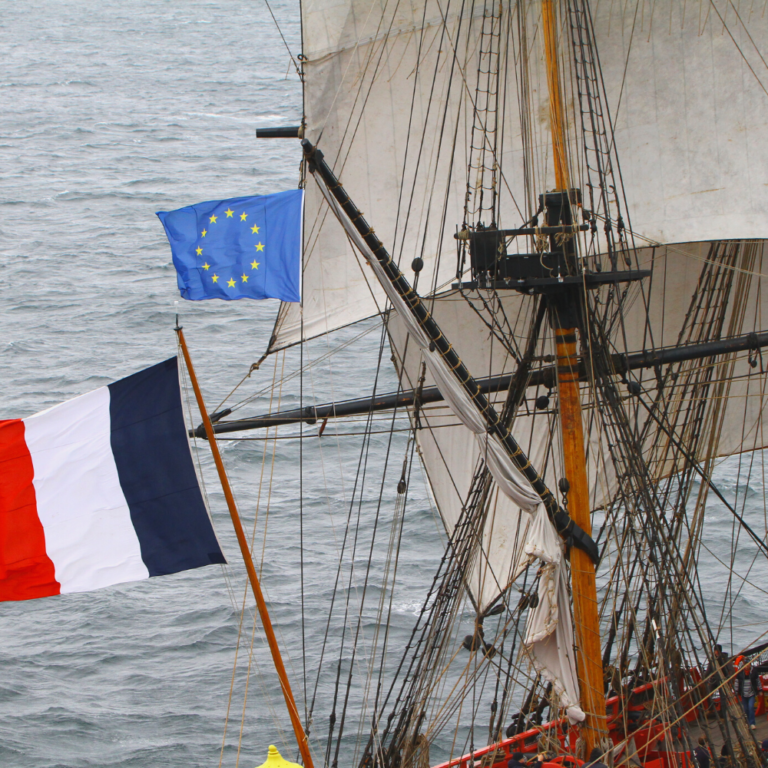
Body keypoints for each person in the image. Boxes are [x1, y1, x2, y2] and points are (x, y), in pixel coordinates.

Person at [735, 660, 762, 729]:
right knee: (746, 709)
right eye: (745, 665)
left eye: (748, 664)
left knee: (751, 707)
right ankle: (747, 722)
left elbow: (758, 681)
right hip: (743, 694)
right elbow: (737, 682)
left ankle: (752, 723)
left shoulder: (754, 672)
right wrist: (735, 691)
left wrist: (760, 690)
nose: (747, 666)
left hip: (751, 693)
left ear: (750, 665)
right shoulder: (740, 673)